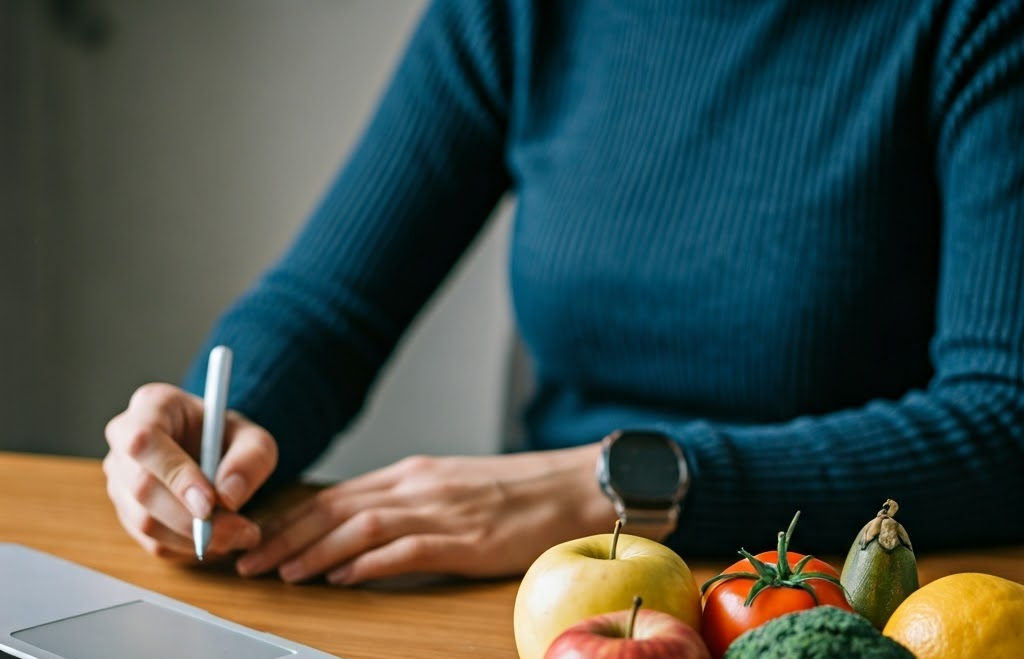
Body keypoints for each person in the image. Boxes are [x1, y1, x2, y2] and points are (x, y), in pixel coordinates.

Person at [103, 0, 1024, 586]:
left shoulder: (976, 23)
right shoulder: (520, 12)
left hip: (832, 608)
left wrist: (611, 487)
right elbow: (329, 311)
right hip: (545, 598)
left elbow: (1003, 422)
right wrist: (217, 440)